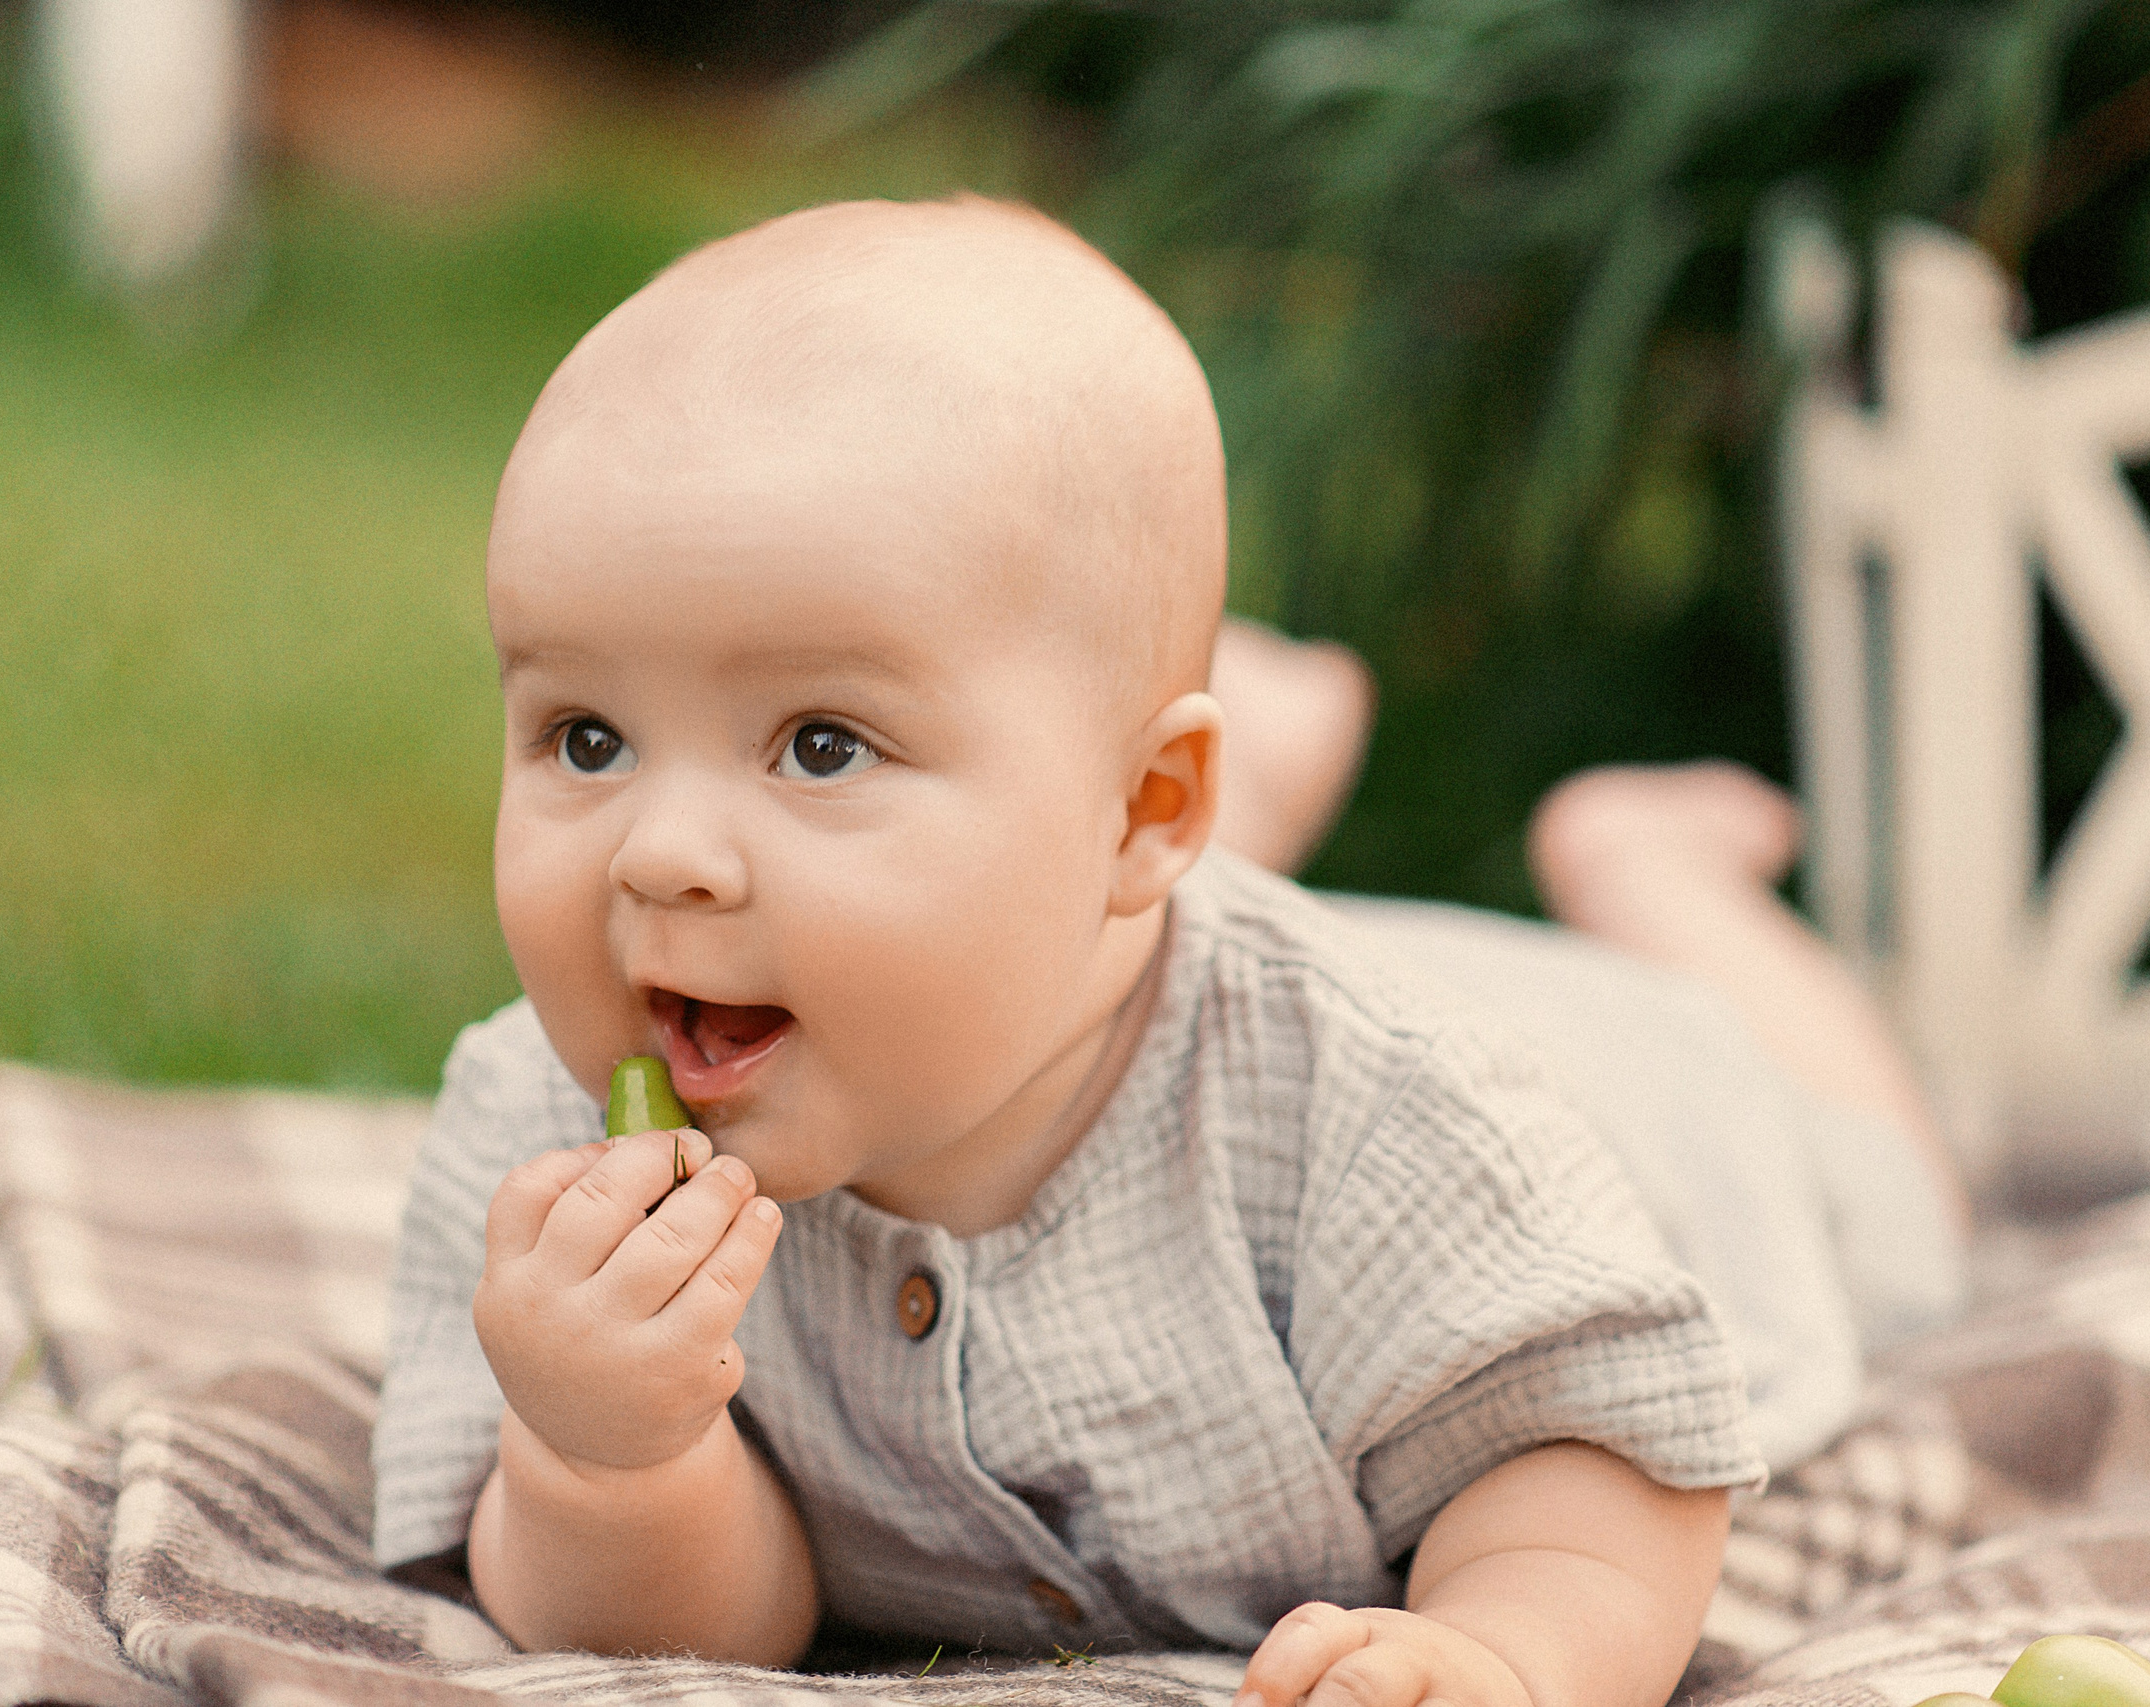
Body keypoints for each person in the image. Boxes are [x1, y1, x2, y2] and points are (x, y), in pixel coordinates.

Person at [370, 196, 1967, 1707]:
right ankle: (1244, 775)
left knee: (1897, 1216)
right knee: (1040, 911)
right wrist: (606, 1456)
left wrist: (1505, 1655)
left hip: (1653, 1103)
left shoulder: (1381, 1119)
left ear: (1147, 808)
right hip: (1107, 923)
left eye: (823, 746)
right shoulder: (539, 1155)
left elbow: (1589, 1455)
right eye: (587, 738)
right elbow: (728, 1630)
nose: (658, 852)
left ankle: (1659, 877)